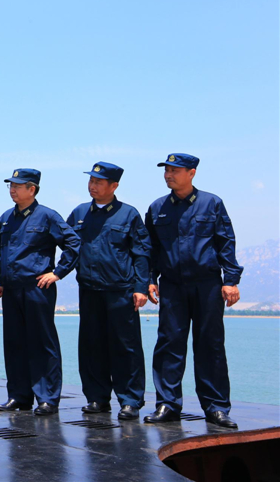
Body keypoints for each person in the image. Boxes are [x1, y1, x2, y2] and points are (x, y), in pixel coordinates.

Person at [143, 153, 243, 428]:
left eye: (175, 170)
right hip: (172, 286)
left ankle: (216, 408)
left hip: (207, 284)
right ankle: (167, 405)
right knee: (169, 345)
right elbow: (149, 249)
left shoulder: (212, 203)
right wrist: (149, 279)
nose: (168, 175)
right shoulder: (157, 208)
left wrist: (230, 280)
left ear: (192, 172)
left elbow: (226, 242)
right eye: (166, 170)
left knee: (209, 345)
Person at [66, 162, 150, 420]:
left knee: (126, 347)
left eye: (98, 182)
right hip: (89, 290)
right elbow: (68, 246)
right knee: (92, 346)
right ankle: (97, 398)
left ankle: (130, 400)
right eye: (91, 181)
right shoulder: (80, 213)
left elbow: (141, 252)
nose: (92, 186)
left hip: (120, 291)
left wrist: (141, 287)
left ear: (114, 186)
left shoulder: (128, 214)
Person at [0, 169, 80, 416]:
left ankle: (47, 398)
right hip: (11, 290)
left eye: (18, 186)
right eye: (10, 185)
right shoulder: (7, 218)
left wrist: (58, 273)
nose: (12, 189)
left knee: (42, 343)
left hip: (37, 288)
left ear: (32, 189)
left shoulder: (47, 216)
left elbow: (73, 243)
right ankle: (19, 396)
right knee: (14, 343)